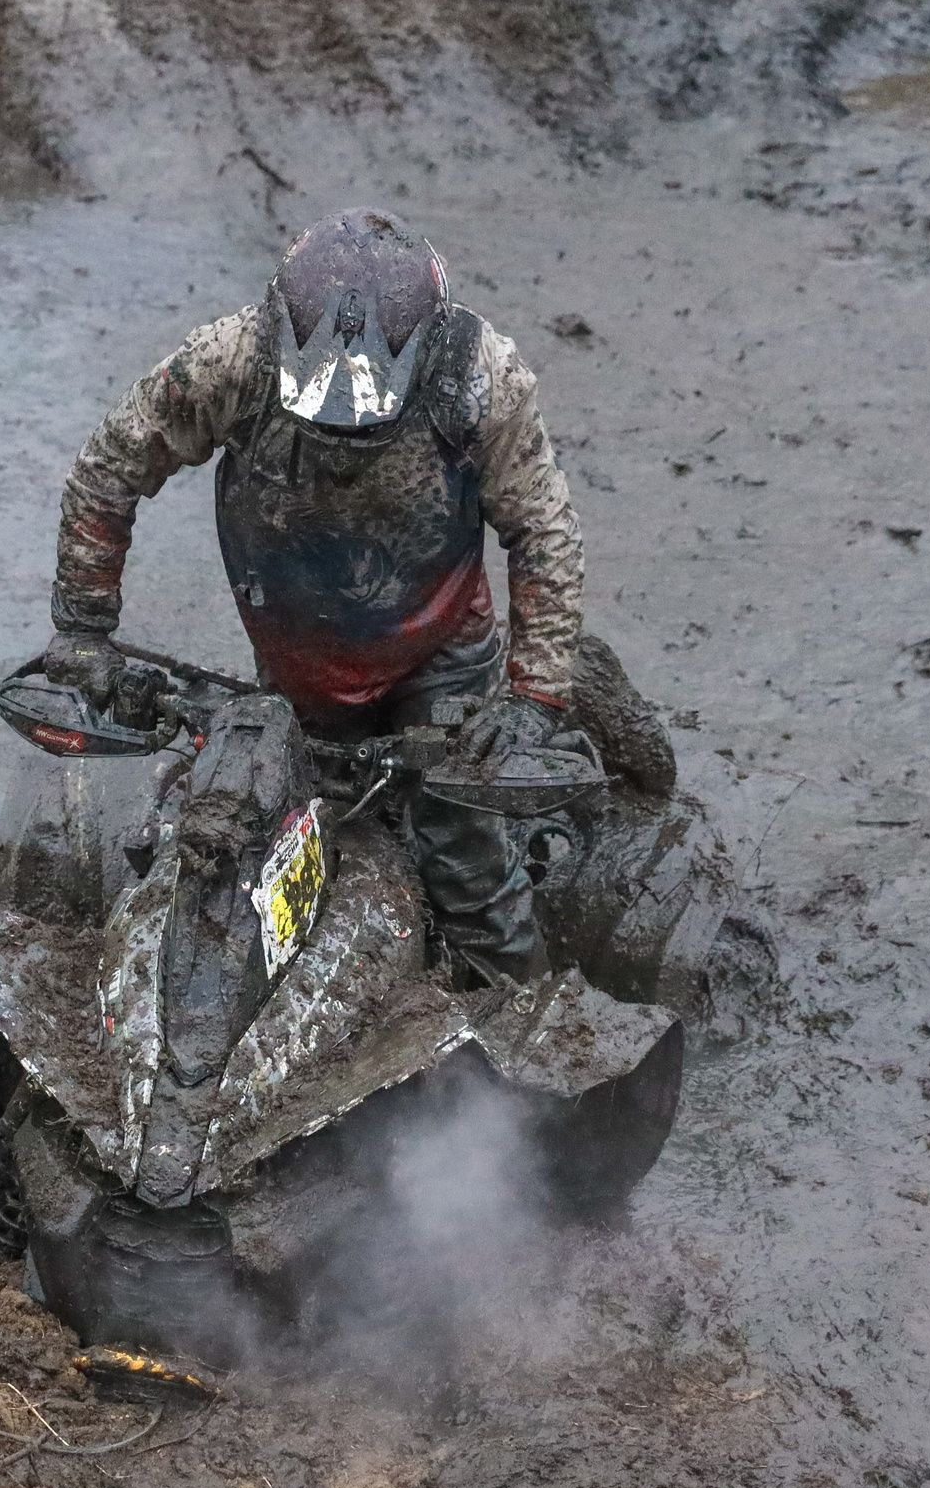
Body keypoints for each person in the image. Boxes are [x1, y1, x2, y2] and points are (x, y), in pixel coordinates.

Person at [40, 207, 585, 985]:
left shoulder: (479, 381)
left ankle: (522, 1020)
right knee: (249, 841)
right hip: (296, 654)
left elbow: (544, 529)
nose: (343, 449)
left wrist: (533, 698)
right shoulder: (228, 362)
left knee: (466, 863)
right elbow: (112, 466)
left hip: (437, 651)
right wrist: (85, 626)